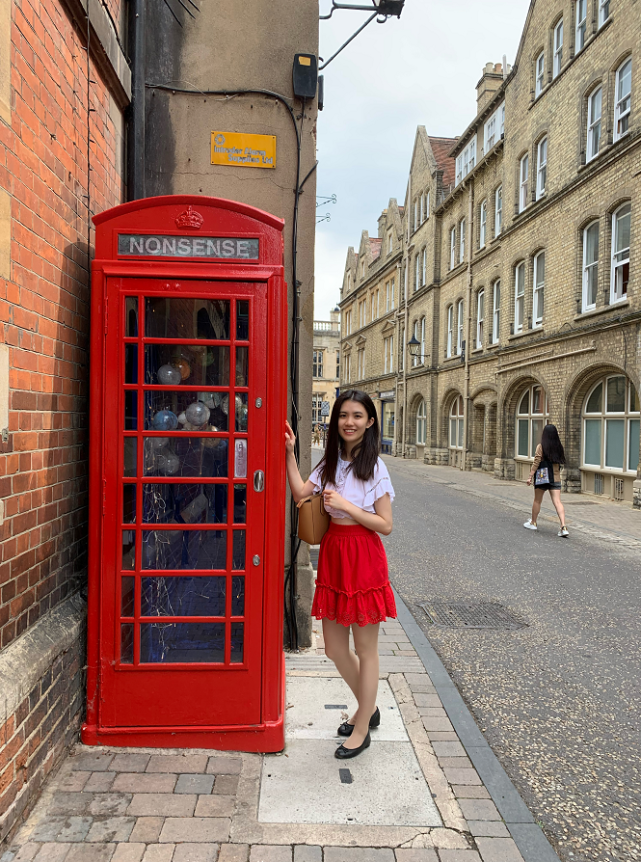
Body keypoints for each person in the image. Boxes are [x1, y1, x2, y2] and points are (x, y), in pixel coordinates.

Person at [285, 390, 396, 760]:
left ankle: (362, 725)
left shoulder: (375, 468)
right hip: (334, 556)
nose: (349, 422)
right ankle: (369, 705)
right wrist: (289, 452)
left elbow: (385, 525)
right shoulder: (328, 463)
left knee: (366, 650)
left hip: (363, 556)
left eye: (357, 416)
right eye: (343, 415)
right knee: (334, 647)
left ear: (370, 422)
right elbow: (301, 493)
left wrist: (347, 506)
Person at [524, 423, 569, 537]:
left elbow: (536, 462)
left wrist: (530, 476)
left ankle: (533, 522)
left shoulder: (541, 446)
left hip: (542, 477)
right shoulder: (559, 447)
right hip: (555, 477)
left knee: (537, 500)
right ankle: (563, 527)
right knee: (558, 502)